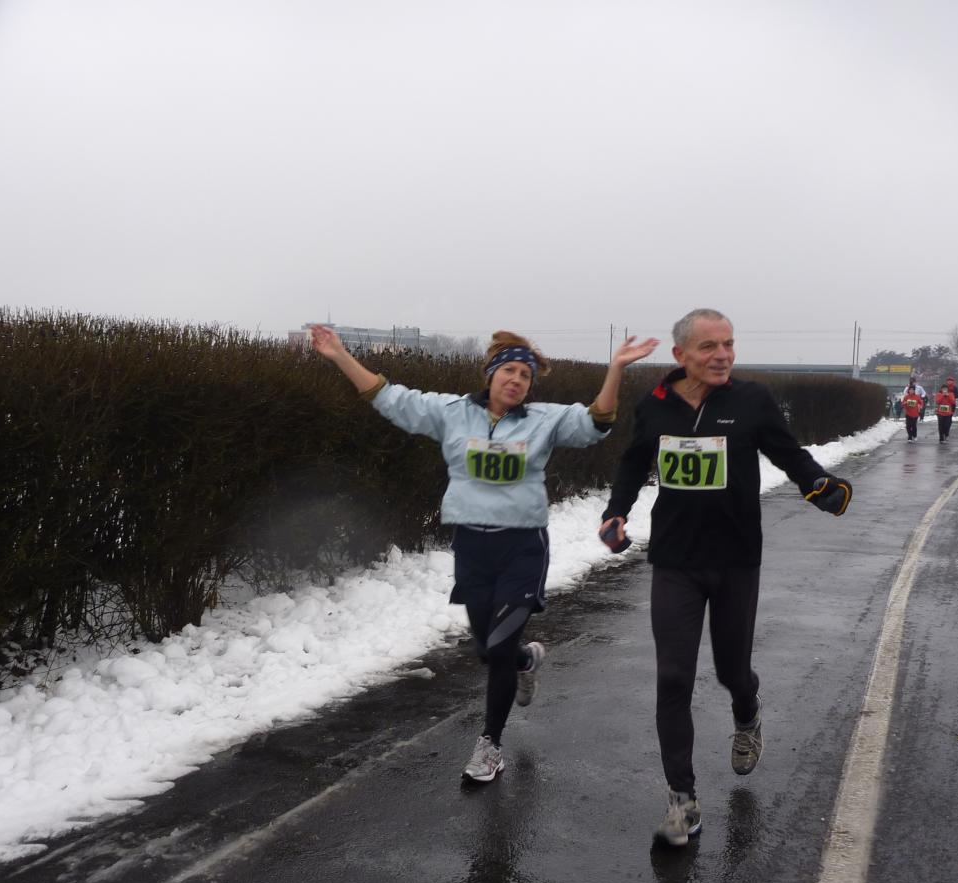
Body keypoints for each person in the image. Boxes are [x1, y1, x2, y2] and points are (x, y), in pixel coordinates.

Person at [309, 323, 656, 780]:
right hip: (472, 547)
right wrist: (338, 355)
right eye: (509, 371)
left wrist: (615, 369)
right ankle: (524, 661)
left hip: (522, 547)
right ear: (491, 374)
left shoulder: (543, 420)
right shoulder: (452, 413)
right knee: (488, 650)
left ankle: (490, 745)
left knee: (498, 644)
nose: (517, 380)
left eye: (525, 375)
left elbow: (596, 422)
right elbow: (390, 398)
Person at [596, 308, 852, 845]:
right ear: (681, 355)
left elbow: (789, 453)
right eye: (709, 346)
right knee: (673, 677)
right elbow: (634, 463)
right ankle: (682, 799)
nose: (723, 355)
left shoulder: (750, 400)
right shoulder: (654, 405)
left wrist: (820, 485)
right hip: (676, 561)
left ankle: (747, 712)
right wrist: (616, 511)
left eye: (729, 344)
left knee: (732, 671)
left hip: (736, 559)